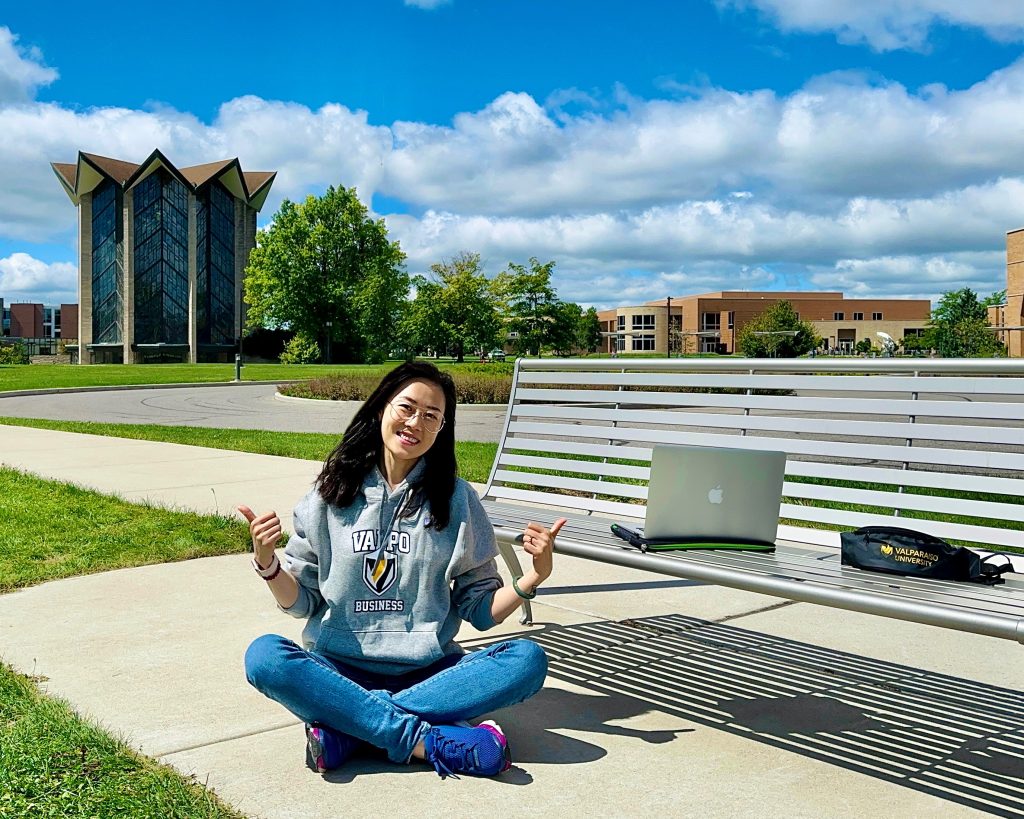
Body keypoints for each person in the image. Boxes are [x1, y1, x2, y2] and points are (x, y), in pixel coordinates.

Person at [239, 361, 565, 779]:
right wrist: (268, 564)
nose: (416, 422)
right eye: (407, 407)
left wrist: (532, 578)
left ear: (442, 428)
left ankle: (351, 730)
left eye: (432, 416)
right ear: (381, 408)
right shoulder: (328, 494)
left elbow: (481, 612)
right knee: (265, 657)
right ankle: (424, 741)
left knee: (527, 659)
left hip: (431, 672)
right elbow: (302, 603)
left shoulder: (458, 499)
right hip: (340, 668)